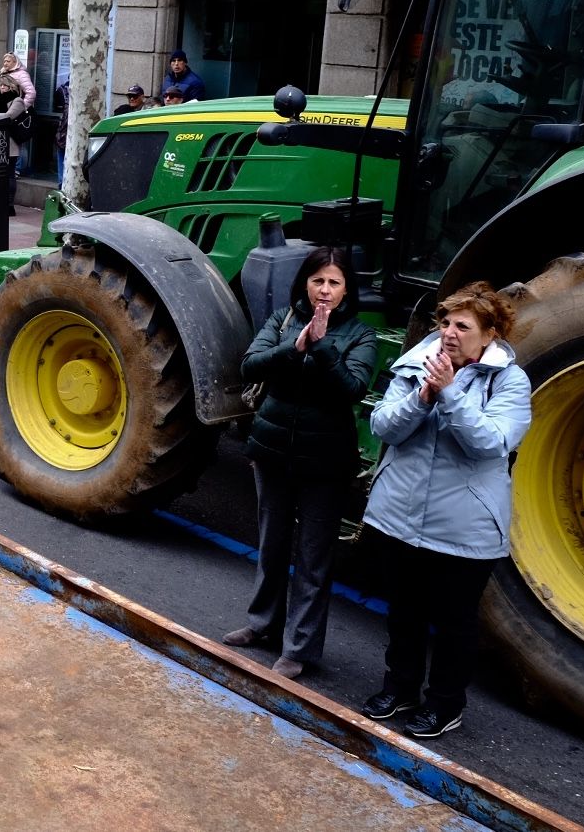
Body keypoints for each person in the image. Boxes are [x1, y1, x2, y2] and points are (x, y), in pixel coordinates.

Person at [360, 282, 532, 740]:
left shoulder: (510, 382)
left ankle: (444, 703)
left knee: (455, 622)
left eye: (463, 325)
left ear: (490, 333)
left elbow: (491, 444)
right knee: (403, 614)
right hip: (399, 516)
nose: (449, 333)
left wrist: (451, 394)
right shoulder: (416, 363)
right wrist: (422, 398)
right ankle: (399, 688)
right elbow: (382, 426)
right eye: (445, 323)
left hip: (464, 527)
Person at [224, 247, 379, 680]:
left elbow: (352, 388)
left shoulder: (361, 336)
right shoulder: (282, 320)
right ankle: (261, 625)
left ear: (347, 289)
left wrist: (323, 346)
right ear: (304, 284)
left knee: (313, 556)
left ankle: (299, 648)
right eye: (317, 281)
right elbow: (250, 364)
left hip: (325, 461)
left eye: (334, 282)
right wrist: (294, 349)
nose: (324, 291)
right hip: (273, 450)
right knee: (271, 545)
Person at [0, 77, 29, 217]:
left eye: (5, 85)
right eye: (0, 85)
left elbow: (8, 116)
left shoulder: (17, 100)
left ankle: (9, 204)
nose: (2, 88)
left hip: (10, 142)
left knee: (9, 174)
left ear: (12, 87)